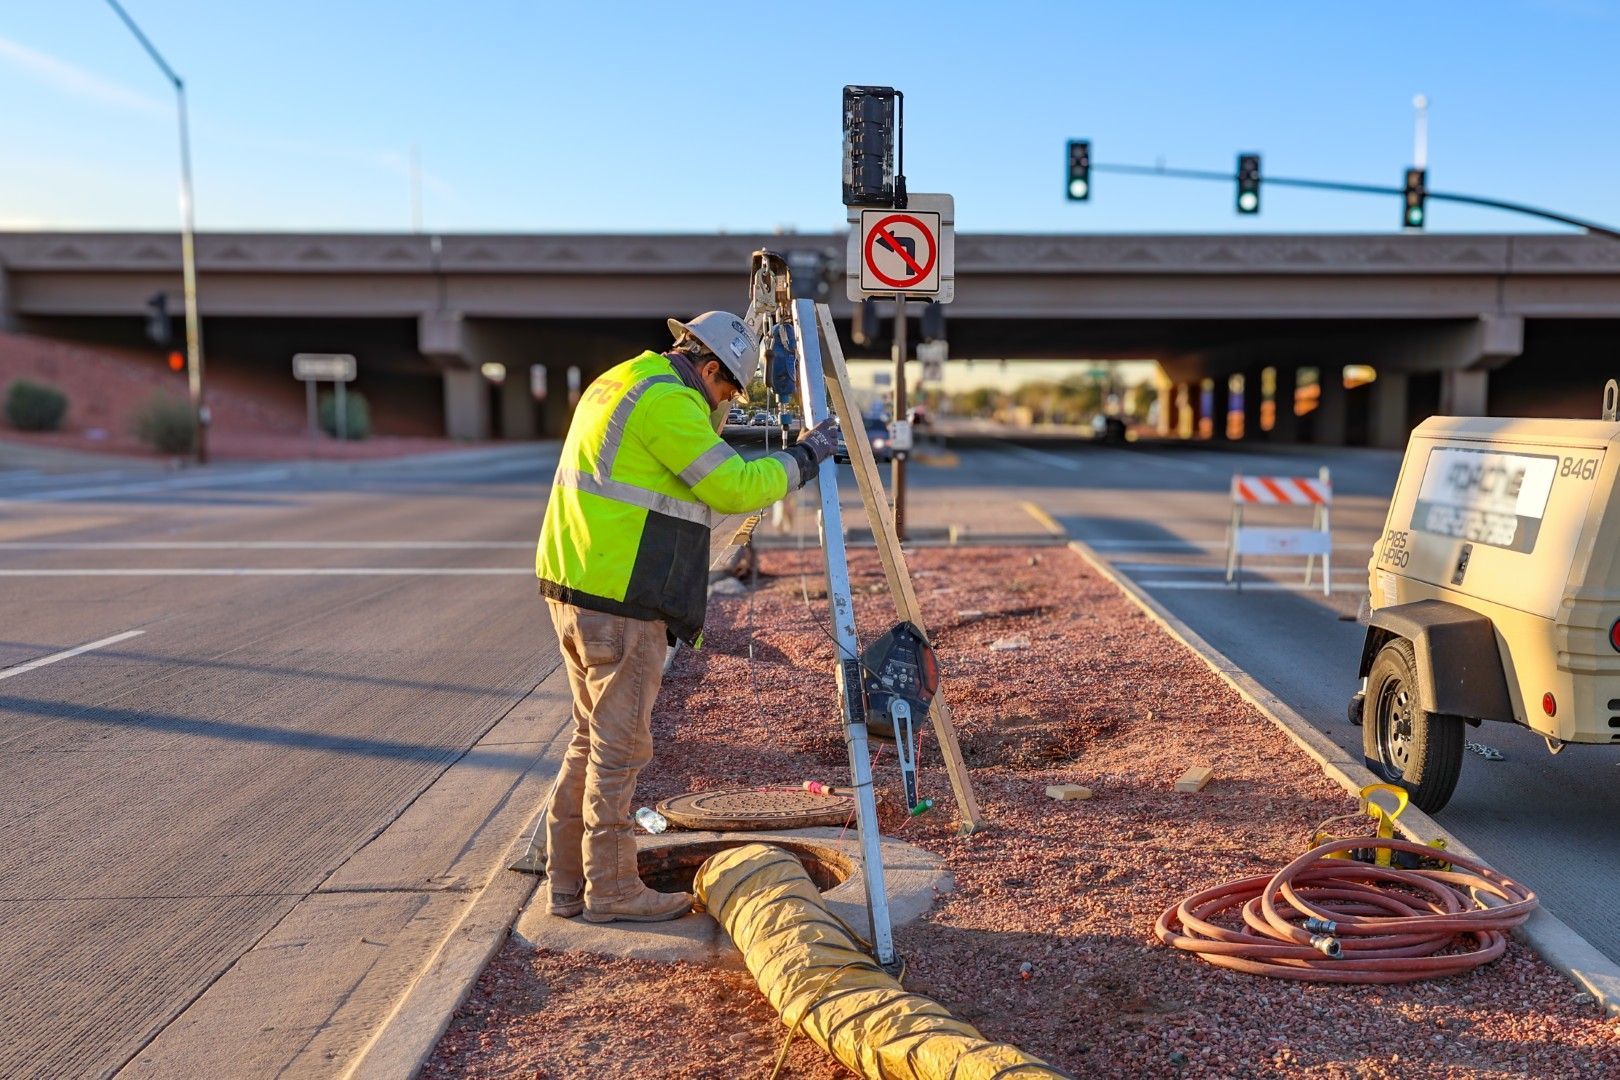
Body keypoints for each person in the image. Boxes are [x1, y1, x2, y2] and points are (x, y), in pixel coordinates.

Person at [535, 311, 837, 923]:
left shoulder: (624, 379)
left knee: (588, 740)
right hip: (623, 595)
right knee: (620, 750)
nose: (726, 405)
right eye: (728, 390)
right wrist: (805, 458)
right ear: (707, 369)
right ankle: (612, 891)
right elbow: (731, 486)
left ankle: (566, 885)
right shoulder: (668, 402)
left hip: (576, 582)